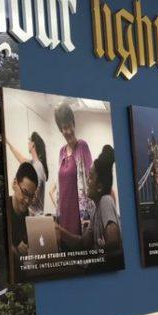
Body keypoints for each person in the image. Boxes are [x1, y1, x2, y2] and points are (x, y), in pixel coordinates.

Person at [55, 145, 121, 263]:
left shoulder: (105, 201)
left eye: (90, 177)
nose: (87, 182)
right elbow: (83, 243)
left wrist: (93, 258)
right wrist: (59, 230)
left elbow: (114, 240)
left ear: (99, 187)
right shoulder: (95, 210)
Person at [51, 102, 93, 246]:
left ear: (74, 124)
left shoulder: (82, 146)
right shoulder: (61, 152)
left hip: (79, 215)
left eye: (69, 126)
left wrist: (89, 216)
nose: (68, 131)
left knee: (79, 255)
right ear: (60, 130)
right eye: (64, 128)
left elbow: (91, 179)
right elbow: (60, 187)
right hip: (63, 213)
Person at [5, 131, 49, 215]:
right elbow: (20, 158)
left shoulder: (38, 167)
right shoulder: (33, 163)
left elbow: (34, 197)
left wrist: (21, 195)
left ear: (33, 144)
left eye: (29, 141)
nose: (27, 144)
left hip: (34, 217)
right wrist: (8, 143)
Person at [7, 161, 39, 271]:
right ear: (15, 183)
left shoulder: (27, 218)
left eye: (31, 196)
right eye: (25, 193)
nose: (27, 201)